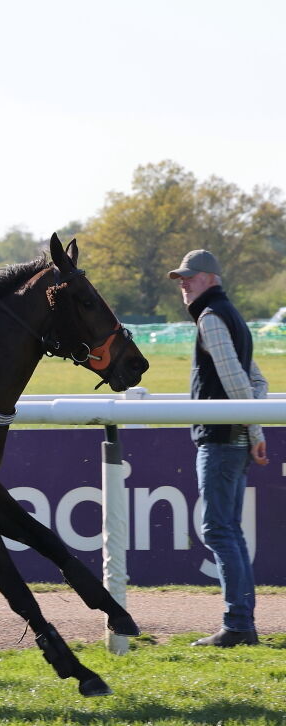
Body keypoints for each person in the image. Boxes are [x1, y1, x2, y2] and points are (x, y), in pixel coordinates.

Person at [168, 249, 270, 647]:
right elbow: (255, 383)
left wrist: (256, 432)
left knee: (218, 531)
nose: (183, 284)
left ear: (211, 278)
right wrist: (254, 431)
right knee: (230, 532)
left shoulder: (211, 317)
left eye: (189, 278)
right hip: (235, 440)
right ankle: (242, 622)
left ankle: (238, 623)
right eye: (180, 278)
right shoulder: (231, 315)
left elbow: (237, 385)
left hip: (221, 440)